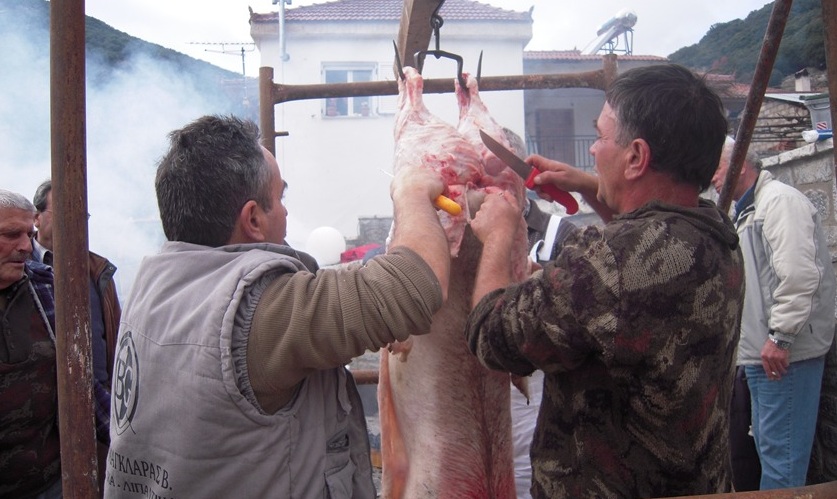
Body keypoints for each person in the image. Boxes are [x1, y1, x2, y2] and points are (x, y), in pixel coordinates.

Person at [105, 115, 450, 498]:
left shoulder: (157, 282)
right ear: (253, 218)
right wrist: (411, 194)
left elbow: (317, 291)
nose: (286, 212)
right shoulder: (256, 310)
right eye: (280, 197)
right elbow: (418, 283)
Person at [465, 63, 744, 498]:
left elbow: (491, 335)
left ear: (635, 157)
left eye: (599, 137)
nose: (592, 151)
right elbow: (645, 260)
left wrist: (500, 236)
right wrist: (593, 188)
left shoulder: (610, 263)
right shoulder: (715, 233)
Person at [712, 137, 836, 489]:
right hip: (761, 356)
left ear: (740, 161)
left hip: (783, 356)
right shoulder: (749, 210)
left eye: (717, 166)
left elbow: (799, 275)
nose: (712, 177)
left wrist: (780, 337)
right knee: (770, 454)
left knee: (781, 466)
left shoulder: (779, 201)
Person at [31, 180, 120, 447]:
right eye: (62, 212)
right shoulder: (18, 270)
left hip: (101, 406)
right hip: (44, 422)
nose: (74, 221)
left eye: (81, 215)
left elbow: (112, 336)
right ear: (36, 218)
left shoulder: (98, 270)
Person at [0, 189, 62, 498]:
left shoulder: (44, 285)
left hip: (49, 480)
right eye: (11, 235)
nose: (26, 246)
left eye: (28, 233)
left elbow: (78, 378)